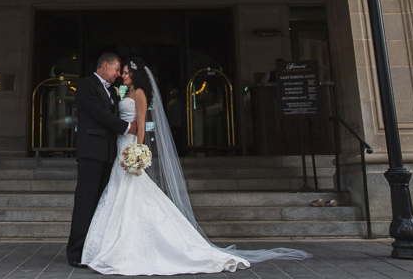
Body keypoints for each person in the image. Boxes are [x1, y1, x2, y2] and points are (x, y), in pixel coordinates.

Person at [81, 56, 310, 275]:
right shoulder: (125, 92)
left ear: (136, 74)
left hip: (129, 146)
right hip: (119, 147)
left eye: (126, 72)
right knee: (119, 193)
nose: (122, 75)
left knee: (131, 193)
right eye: (121, 71)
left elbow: (141, 125)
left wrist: (137, 152)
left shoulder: (139, 94)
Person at [66, 52, 137, 268]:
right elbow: (99, 113)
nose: (118, 74)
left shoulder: (113, 91)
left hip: (109, 153)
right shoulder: (86, 85)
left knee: (100, 203)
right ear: (104, 65)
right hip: (91, 151)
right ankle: (76, 252)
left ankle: (93, 249)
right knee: (85, 201)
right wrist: (126, 127)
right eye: (116, 70)